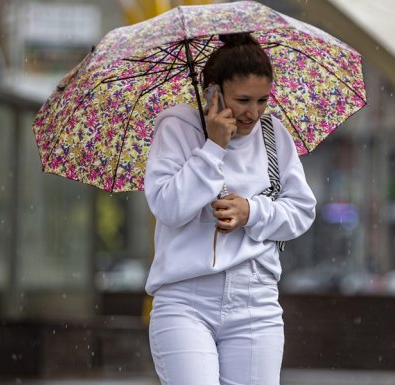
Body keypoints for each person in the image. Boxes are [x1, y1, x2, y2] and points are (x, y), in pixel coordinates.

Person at [143, 32, 317, 385]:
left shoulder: (273, 134)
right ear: (213, 92)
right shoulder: (178, 126)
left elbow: (301, 211)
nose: (253, 113)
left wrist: (251, 212)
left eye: (263, 100)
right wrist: (212, 149)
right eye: (242, 100)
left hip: (256, 301)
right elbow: (168, 207)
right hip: (185, 298)